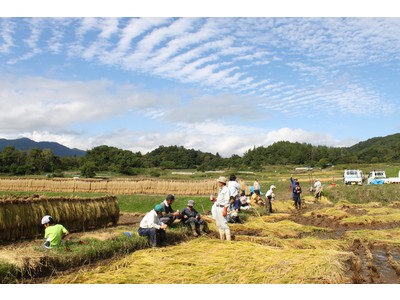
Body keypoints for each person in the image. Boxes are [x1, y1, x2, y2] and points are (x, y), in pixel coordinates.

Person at [210, 176, 231, 241]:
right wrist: (214, 199)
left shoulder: (226, 190)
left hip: (222, 208)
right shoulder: (221, 190)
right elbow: (220, 200)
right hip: (217, 207)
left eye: (219, 182)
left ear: (222, 182)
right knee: (219, 224)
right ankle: (222, 239)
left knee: (224, 224)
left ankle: (228, 240)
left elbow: (226, 201)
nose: (218, 183)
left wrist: (225, 210)